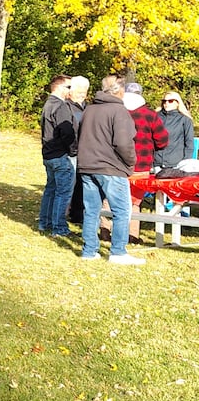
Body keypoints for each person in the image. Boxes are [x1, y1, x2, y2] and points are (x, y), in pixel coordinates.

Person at [78, 75, 144, 265]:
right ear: (119, 91)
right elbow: (123, 142)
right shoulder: (119, 111)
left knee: (91, 210)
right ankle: (118, 252)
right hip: (111, 167)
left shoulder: (89, 109)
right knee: (122, 210)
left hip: (88, 165)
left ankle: (89, 251)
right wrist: (130, 163)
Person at [102, 81, 168, 243]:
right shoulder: (150, 115)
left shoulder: (114, 112)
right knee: (134, 201)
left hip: (115, 163)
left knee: (109, 199)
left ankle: (105, 231)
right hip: (141, 164)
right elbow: (162, 140)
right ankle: (132, 235)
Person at [39, 74, 76, 237]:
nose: (71, 91)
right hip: (59, 154)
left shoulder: (48, 104)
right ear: (60, 88)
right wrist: (73, 149)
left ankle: (44, 222)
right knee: (62, 192)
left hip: (48, 154)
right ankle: (59, 227)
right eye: (69, 87)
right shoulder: (60, 106)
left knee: (51, 189)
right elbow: (66, 132)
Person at [67, 76, 90, 224]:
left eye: (84, 91)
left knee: (82, 184)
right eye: (78, 91)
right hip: (72, 150)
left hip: (85, 150)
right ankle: (64, 214)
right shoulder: (67, 106)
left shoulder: (88, 107)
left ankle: (78, 214)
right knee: (69, 184)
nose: (82, 94)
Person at [154, 90, 194, 169]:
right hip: (156, 162)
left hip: (176, 164)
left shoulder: (185, 119)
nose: (167, 103)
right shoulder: (155, 117)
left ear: (177, 102)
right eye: (164, 101)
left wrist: (185, 163)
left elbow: (189, 143)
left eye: (170, 101)